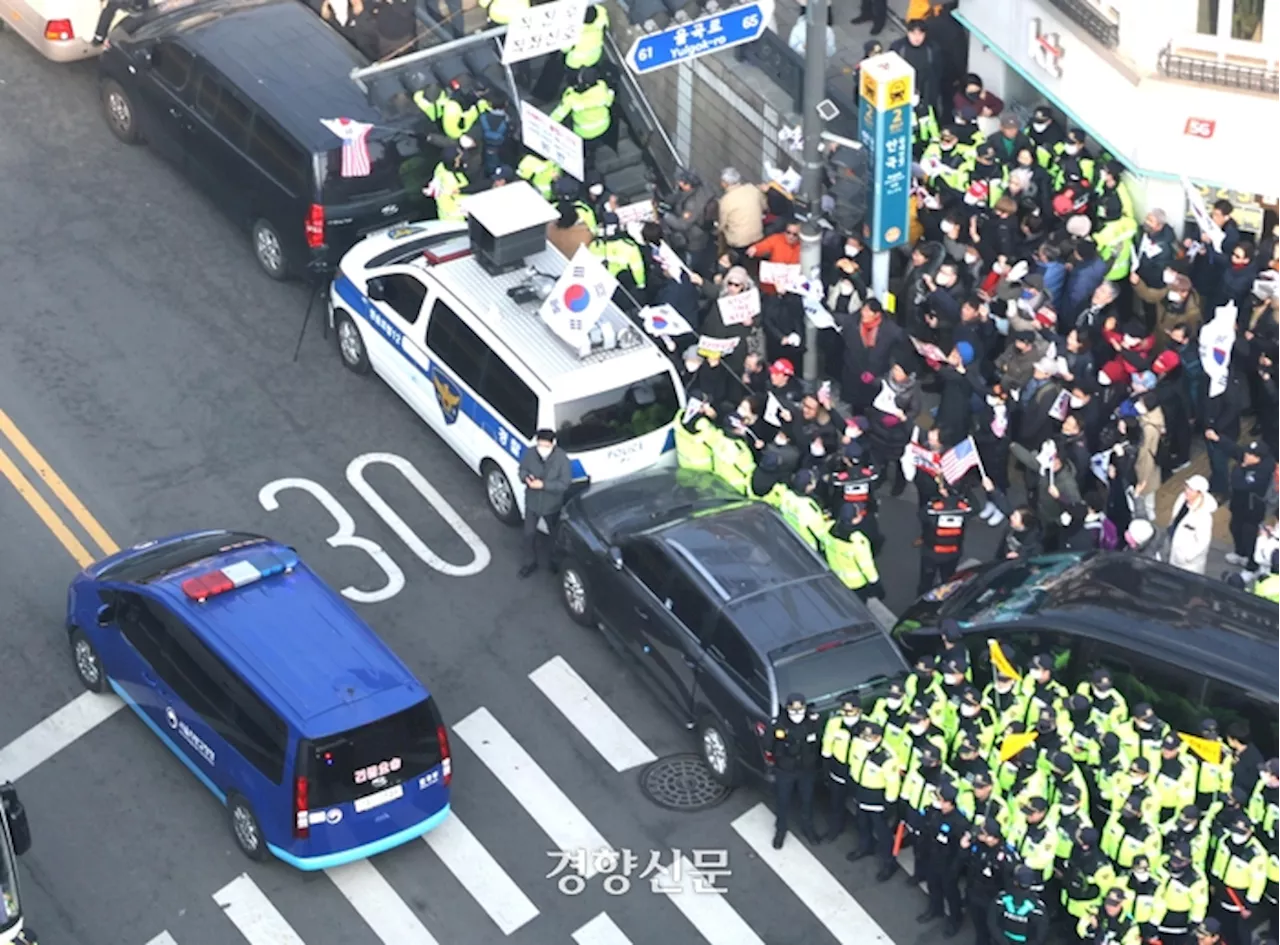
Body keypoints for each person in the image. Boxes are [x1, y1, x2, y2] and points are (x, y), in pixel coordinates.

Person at [846, 720, 902, 881]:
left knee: (883, 833)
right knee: (862, 824)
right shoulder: (859, 745)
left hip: (877, 799)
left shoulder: (887, 758)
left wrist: (889, 804)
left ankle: (889, 863)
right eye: (864, 736)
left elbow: (893, 783)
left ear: (878, 738)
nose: (865, 739)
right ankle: (865, 847)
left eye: (869, 738)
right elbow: (854, 762)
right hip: (861, 792)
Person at [769, 693, 822, 848]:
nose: (797, 713)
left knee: (807, 800)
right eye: (793, 709)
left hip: (806, 770)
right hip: (785, 770)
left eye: (800, 709)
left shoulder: (812, 723)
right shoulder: (779, 725)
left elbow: (818, 741)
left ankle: (808, 828)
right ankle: (780, 831)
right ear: (787, 709)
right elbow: (768, 745)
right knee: (782, 801)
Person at [516, 430, 571, 577]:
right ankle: (529, 562)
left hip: (552, 506)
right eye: (540, 445)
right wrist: (526, 478)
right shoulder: (530, 454)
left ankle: (555, 561)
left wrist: (544, 485)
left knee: (555, 536)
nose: (542, 449)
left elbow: (564, 484)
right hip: (532, 503)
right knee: (529, 534)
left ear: (553, 444)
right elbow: (522, 470)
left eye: (545, 446)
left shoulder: (562, 459)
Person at [1206, 811, 1267, 945]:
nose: (1236, 835)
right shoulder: (1225, 841)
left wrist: (1250, 905)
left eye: (1241, 832)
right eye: (1235, 830)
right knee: (1217, 925)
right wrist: (1214, 882)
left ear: (1250, 832)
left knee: (1235, 932)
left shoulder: (1256, 854)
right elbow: (1218, 862)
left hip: (1238, 898)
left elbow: (1258, 882)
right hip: (1221, 890)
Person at [919, 781, 970, 937]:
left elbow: (961, 849)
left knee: (950, 893)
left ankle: (955, 920)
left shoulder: (960, 822)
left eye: (941, 800)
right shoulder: (936, 813)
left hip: (949, 864)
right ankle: (935, 909)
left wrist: (955, 869)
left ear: (950, 803)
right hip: (934, 857)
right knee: (933, 885)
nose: (938, 802)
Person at [1223, 439, 1275, 566]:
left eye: (1250, 454)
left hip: (1253, 509)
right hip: (1238, 504)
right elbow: (1235, 449)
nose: (1246, 455)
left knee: (1250, 535)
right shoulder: (1247, 461)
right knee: (1235, 527)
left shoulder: (1264, 471)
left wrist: (1240, 468)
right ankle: (1240, 553)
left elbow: (1239, 484)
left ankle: (1252, 562)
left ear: (1258, 458)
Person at [819, 694, 862, 842]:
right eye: (843, 711)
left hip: (858, 774)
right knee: (836, 803)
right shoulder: (834, 723)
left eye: (849, 711)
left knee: (860, 808)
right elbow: (827, 746)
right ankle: (835, 829)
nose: (846, 714)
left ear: (859, 711)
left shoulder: (867, 727)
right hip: (838, 769)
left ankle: (863, 838)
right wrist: (826, 767)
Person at [549, 68, 615, 146]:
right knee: (595, 141)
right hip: (603, 125)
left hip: (584, 131)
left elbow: (558, 115)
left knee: (585, 145)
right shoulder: (602, 88)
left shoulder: (572, 97)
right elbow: (609, 102)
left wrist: (547, 123)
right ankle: (592, 151)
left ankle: (588, 153)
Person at [1168, 475, 1218, 575]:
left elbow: (1203, 542)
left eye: (1191, 489)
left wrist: (1186, 557)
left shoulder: (1204, 516)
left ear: (1199, 493)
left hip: (1189, 564)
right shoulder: (1182, 499)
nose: (1187, 491)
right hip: (1174, 550)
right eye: (1187, 487)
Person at [987, 864, 1049, 945]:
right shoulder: (1038, 908)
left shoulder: (1001, 899)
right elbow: (1041, 935)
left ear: (1015, 881)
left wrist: (1003, 942)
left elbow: (991, 922)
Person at [717, 167, 768, 254]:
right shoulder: (752, 189)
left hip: (738, 242)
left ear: (725, 183)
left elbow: (722, 224)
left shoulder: (725, 200)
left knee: (722, 234)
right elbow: (764, 206)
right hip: (757, 237)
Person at [1076, 886, 1141, 945]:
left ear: (1121, 903)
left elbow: (1133, 942)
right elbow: (1081, 930)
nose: (1109, 907)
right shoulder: (1094, 912)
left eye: (1114, 904)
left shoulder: (1128, 923)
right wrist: (1092, 927)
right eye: (1108, 902)